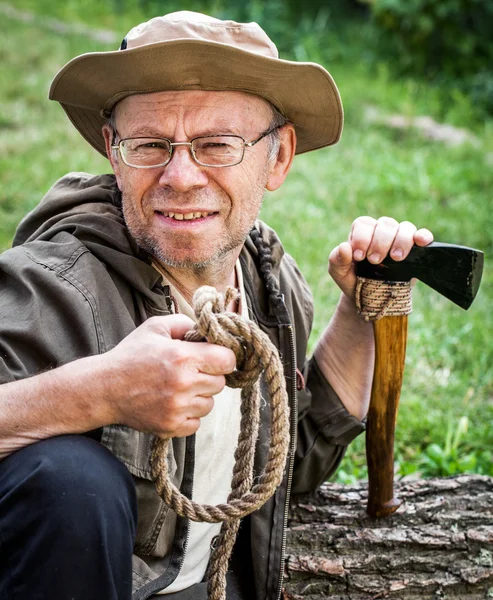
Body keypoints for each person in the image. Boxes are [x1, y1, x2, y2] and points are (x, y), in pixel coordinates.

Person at [0, 10, 433, 600]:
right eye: (150, 144)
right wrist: (99, 392)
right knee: (71, 481)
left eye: (216, 145)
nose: (180, 176)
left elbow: (286, 466)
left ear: (278, 158)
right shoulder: (52, 288)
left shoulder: (268, 283)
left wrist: (358, 312)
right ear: (113, 150)